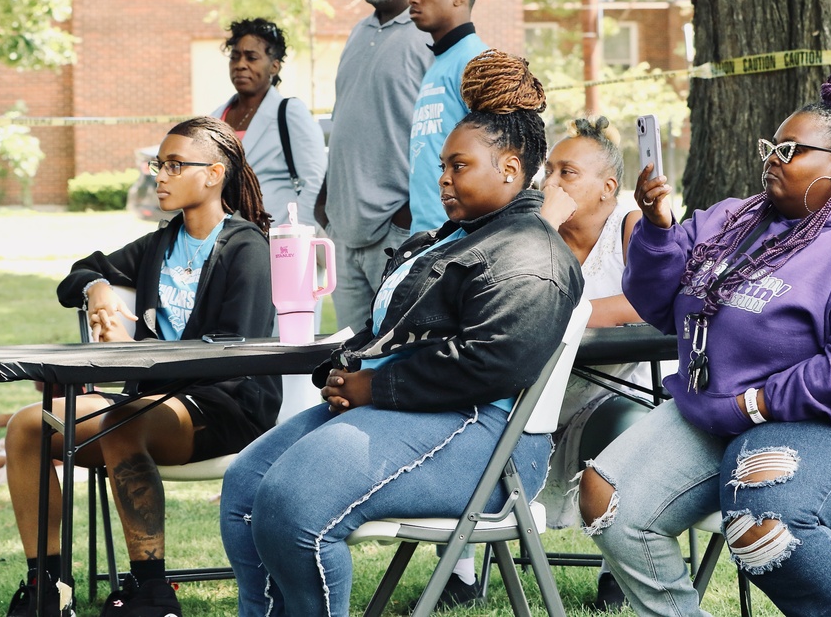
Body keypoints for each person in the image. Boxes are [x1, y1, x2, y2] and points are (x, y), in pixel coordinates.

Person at [219, 50, 584, 617]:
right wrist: (345, 372)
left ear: (510, 169)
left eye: (459, 166)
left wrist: (373, 390)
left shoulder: (531, 253)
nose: (442, 178)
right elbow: (391, 328)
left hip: (486, 436)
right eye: (443, 165)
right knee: (247, 486)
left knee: (295, 504)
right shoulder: (452, 237)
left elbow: (492, 364)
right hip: (405, 410)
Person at [578, 67, 831, 617]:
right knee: (609, 499)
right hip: (719, 409)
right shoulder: (732, 220)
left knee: (761, 521)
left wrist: (760, 401)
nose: (773, 157)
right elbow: (656, 300)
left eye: (791, 150)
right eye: (772, 146)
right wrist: (656, 227)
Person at [3, 117, 281, 617]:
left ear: (214, 173)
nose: (162, 174)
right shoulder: (160, 244)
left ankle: (151, 590)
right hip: (147, 403)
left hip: (225, 407)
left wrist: (133, 353)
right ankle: (47, 587)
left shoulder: (245, 248)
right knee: (28, 426)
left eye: (176, 164)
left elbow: (232, 354)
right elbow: (78, 273)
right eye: (159, 164)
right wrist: (98, 287)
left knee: (120, 425)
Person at [537, 116, 653, 611]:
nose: (551, 182)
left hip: (615, 386)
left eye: (567, 172)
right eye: (548, 170)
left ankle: (618, 572)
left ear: (609, 188)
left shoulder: (630, 227)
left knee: (630, 428)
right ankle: (462, 568)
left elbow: (646, 302)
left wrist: (570, 315)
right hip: (541, 393)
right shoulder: (537, 234)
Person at [314, 0, 433, 332]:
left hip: (393, 234)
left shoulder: (427, 39)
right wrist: (326, 197)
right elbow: (347, 118)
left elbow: (443, 135)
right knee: (347, 359)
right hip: (343, 233)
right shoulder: (357, 32)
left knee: (390, 358)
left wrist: (403, 217)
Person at [407, 0, 490, 234]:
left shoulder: (477, 62)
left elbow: (500, 154)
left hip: (459, 238)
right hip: (426, 233)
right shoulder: (438, 62)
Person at [213, 18, 326, 229]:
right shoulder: (216, 117)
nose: (240, 65)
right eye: (234, 57)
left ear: (274, 66)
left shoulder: (289, 112)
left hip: (276, 234)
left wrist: (296, 235)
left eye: (251, 57)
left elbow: (314, 182)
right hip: (224, 236)